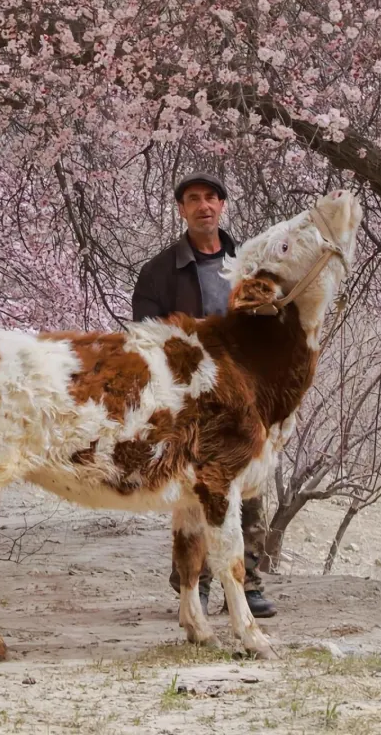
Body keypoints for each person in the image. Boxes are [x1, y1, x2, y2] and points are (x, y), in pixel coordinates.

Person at [132, 172, 277, 620]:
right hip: (188, 400)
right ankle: (195, 584)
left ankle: (248, 582)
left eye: (211, 198)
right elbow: (144, 336)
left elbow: (273, 325)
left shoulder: (249, 265)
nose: (203, 206)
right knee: (194, 491)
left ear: (222, 205)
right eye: (193, 199)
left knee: (247, 489)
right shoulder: (159, 271)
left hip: (243, 397)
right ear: (182, 209)